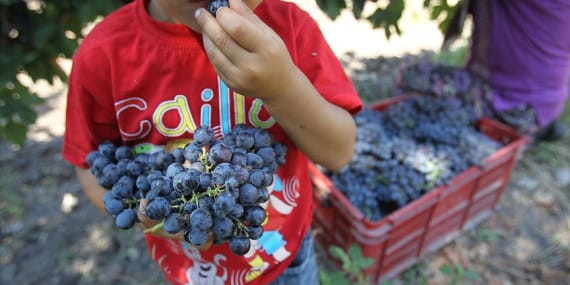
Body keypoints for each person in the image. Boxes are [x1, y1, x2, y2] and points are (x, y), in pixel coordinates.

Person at [62, 0, 362, 284]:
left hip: (284, 259)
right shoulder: (103, 54)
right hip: (188, 270)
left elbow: (338, 153)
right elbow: (92, 166)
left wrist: (282, 88)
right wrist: (151, 216)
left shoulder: (290, 31)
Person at [398, 0, 570, 142]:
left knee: (411, 76)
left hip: (513, 102)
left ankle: (501, 131)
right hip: (548, 102)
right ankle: (537, 129)